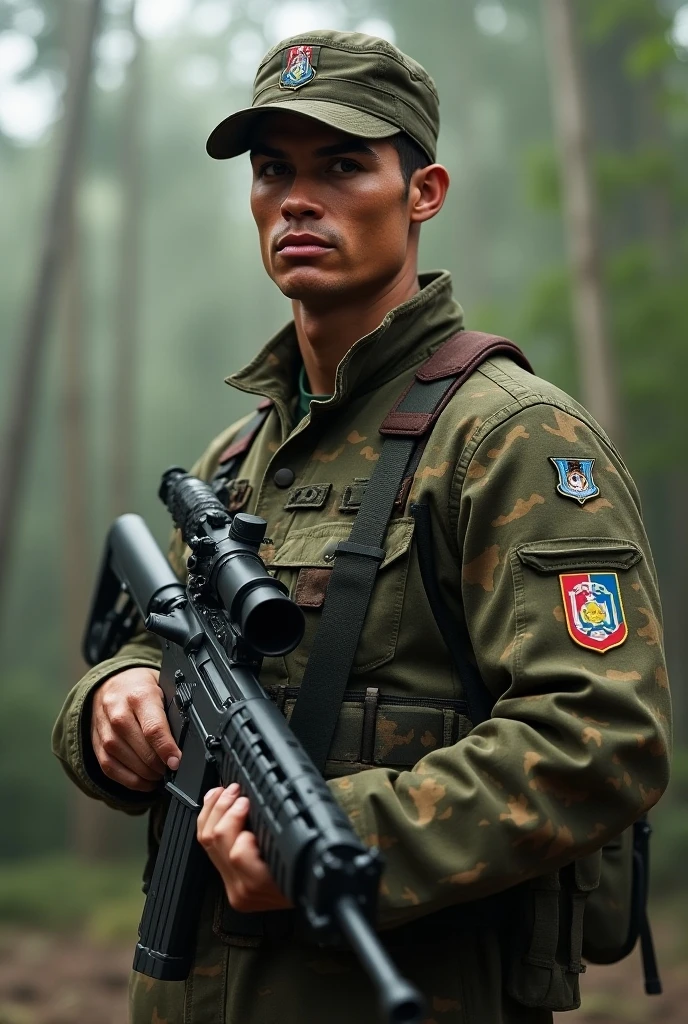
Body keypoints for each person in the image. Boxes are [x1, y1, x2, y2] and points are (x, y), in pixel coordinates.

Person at [52, 30, 671, 1024]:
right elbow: (152, 640)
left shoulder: (507, 436)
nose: (298, 199)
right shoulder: (234, 457)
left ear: (422, 192)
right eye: (272, 171)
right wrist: (108, 698)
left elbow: (603, 736)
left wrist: (337, 838)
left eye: (341, 165)